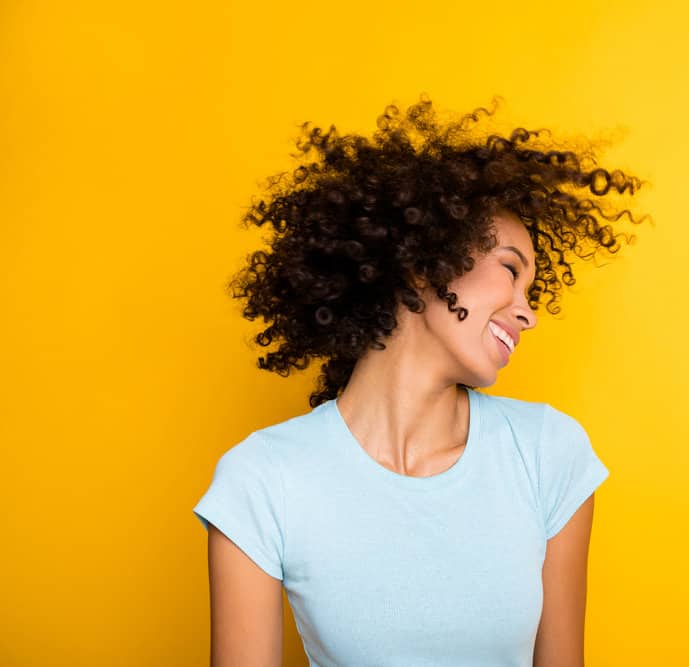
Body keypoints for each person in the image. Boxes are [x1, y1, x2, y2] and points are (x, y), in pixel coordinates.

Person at [192, 95, 647, 666]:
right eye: (509, 270)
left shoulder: (548, 454)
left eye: (531, 290)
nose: (527, 312)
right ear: (421, 263)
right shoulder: (263, 480)